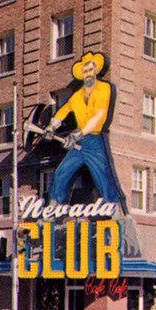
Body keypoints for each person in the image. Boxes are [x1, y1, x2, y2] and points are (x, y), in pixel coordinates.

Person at [43, 52, 123, 204]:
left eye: (90, 70)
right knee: (61, 173)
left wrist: (80, 133)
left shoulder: (104, 88)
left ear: (96, 70)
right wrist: (51, 127)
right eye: (85, 71)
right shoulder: (77, 96)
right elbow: (63, 111)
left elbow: (99, 116)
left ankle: (114, 209)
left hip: (95, 140)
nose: (88, 74)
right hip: (79, 142)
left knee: (103, 175)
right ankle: (54, 207)